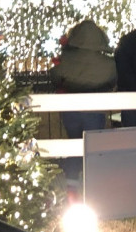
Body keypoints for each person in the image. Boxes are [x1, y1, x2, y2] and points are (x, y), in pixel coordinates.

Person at [50, 19, 117, 182]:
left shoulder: (66, 60)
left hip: (71, 110)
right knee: (92, 147)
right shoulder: (108, 63)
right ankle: (92, 183)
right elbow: (112, 81)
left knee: (74, 145)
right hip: (95, 109)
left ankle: (72, 183)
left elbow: (56, 77)